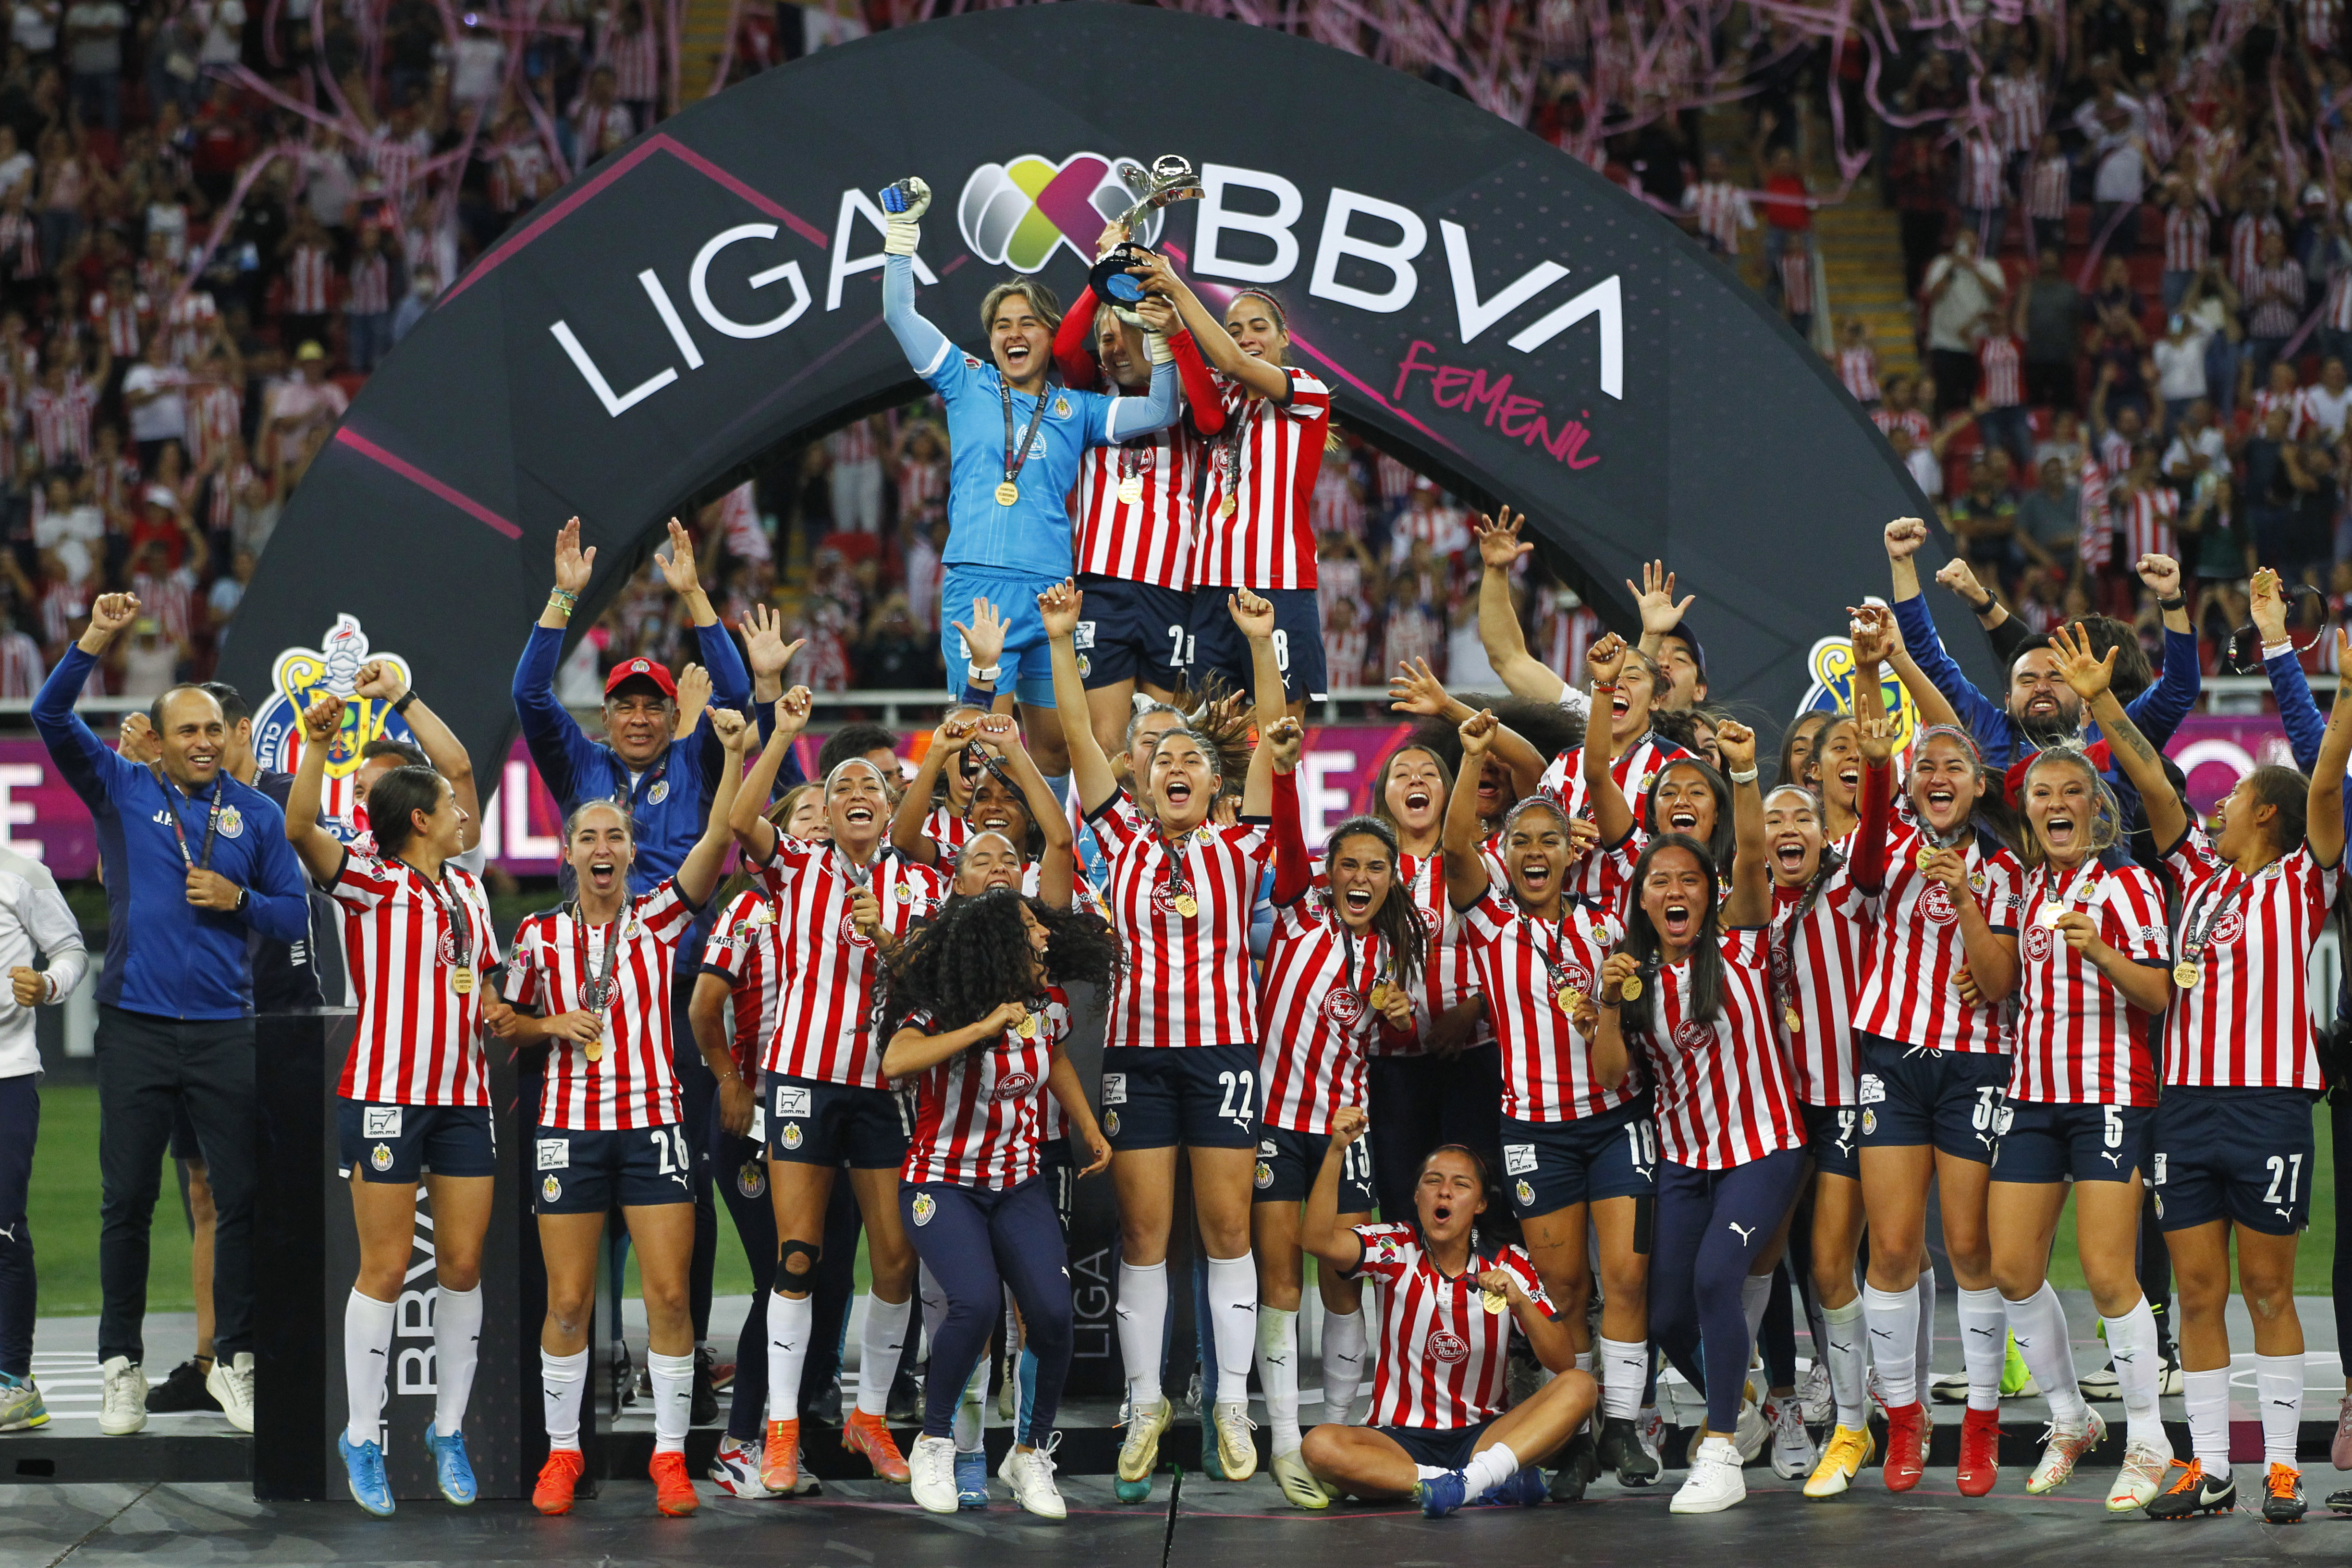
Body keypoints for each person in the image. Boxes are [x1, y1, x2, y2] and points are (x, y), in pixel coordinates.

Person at [515, 520, 799, 1421]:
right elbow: (527, 691)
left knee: (692, 1175)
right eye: (625, 705)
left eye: (650, 705)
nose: (639, 717)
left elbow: (747, 732)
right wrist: (563, 596)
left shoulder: (692, 756)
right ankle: (591, 1340)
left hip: (682, 1004)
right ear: (607, 717)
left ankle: (687, 1338)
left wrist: (696, 601)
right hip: (589, 1002)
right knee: (581, 1178)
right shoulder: (584, 769)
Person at [31, 590, 308, 1437]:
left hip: (226, 1027)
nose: (200, 741)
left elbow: (295, 915)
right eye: (183, 729)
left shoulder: (258, 814)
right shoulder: (120, 786)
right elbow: (48, 712)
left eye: (211, 729)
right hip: (138, 1027)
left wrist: (239, 897)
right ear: (156, 737)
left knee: (243, 1196)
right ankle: (121, 1365)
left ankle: (235, 1359)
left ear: (228, 737)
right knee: (127, 1201)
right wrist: (93, 641)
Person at [2085, 625, 2343, 1525]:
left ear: (2266, 812)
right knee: (2195, 1291)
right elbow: (2153, 782)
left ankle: (2279, 1467)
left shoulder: (2306, 876)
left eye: (2233, 794)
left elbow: (2323, 778)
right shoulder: (2197, 873)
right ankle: (2210, 1466)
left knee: (2269, 1286)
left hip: (2268, 1105)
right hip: (2184, 1106)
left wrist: (2330, 685)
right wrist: (2104, 700)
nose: (2219, 801)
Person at [1041, 576, 1284, 1499]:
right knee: (1145, 1235)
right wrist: (1064, 641)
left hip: (1222, 1058)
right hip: (1138, 1061)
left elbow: (1268, 738)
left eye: (1193, 757)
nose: (1175, 764)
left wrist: (1260, 643)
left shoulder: (1242, 845)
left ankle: (1228, 1402)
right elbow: (1075, 731)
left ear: (1216, 784)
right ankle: (1146, 1401)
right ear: (1140, 781)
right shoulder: (1121, 840)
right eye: (1161, 759)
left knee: (1227, 1232)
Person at [488, 706, 751, 1518]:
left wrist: (736, 753)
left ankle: (671, 1457)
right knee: (567, 1300)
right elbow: (501, 1020)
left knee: (670, 1297)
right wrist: (548, 1025)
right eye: (588, 837)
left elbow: (715, 841)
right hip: (567, 1127)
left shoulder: (663, 917)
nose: (602, 849)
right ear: (567, 853)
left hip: (652, 1126)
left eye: (614, 836)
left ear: (633, 851)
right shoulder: (536, 935)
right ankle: (565, 1454)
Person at [873, 176, 1178, 775]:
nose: (1014, 334)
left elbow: (1162, 410)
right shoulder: (966, 380)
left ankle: (1046, 862)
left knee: (1057, 747)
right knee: (982, 740)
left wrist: (1164, 343)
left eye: (1028, 323)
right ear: (990, 341)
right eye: (1001, 326)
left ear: (1050, 334)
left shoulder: (1078, 409)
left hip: (1050, 595)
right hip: (978, 585)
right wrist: (901, 235)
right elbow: (898, 312)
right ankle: (979, 861)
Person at [282, 693, 497, 1517]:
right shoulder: (368, 878)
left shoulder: (469, 888)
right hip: (383, 1092)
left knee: (464, 1263)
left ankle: (449, 1427)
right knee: (381, 1264)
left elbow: (464, 766)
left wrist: (406, 700)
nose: (462, 810)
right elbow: (302, 827)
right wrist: (316, 746)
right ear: (419, 819)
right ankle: (362, 1433)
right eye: (447, 805)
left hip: (464, 1094)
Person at [729, 687, 943, 1497]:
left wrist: (886, 937)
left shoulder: (919, 888)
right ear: (822, 807)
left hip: (882, 1084)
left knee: (895, 1258)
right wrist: (782, 734)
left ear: (891, 809)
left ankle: (869, 1413)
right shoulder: (799, 863)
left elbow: (931, 987)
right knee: (798, 1252)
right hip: (801, 1078)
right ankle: (781, 1431)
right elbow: (739, 823)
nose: (855, 797)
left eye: (871, 788)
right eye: (839, 787)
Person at [1444, 691, 1657, 1500]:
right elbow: (1458, 846)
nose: (1535, 851)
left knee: (1628, 1280)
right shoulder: (1491, 923)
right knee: (1565, 1290)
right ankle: (1571, 1431)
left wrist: (1609, 999)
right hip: (1533, 1129)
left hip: (1614, 1121)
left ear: (1573, 852)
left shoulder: (1610, 928)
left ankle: (1627, 1424)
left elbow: (1614, 1064)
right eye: (1521, 841)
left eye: (1550, 840)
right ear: (1508, 856)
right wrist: (1471, 758)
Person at [1589, 711, 1799, 1514]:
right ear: (1641, 898)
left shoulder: (1742, 938)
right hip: (1683, 1156)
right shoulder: (1635, 974)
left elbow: (1750, 853)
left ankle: (1718, 1451)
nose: (1675, 890)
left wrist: (1744, 774)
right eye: (1659, 882)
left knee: (1718, 1275)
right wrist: (1609, 1005)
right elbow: (1613, 1075)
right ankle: (1735, 1402)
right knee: (1665, 1307)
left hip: (1762, 1147)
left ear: (1708, 893)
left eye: (1688, 880)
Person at [1981, 674, 2175, 1511]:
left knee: (2105, 1273)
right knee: (2013, 1267)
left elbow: (2160, 994)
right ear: (2026, 811)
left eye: (2070, 792)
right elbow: (2008, 983)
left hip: (2108, 1096)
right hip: (2032, 1096)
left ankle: (2149, 1438)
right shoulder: (2028, 890)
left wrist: (2099, 953)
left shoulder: (2128, 885)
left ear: (2098, 810)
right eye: (2040, 793)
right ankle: (2070, 1417)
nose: (2054, 803)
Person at [882, 885, 1117, 1520]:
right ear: (996, 943)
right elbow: (896, 1060)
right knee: (978, 1303)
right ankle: (933, 1444)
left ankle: (1030, 1453)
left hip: (1019, 1183)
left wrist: (1086, 1126)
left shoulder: (1046, 1005)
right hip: (942, 1182)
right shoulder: (944, 1004)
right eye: (1029, 927)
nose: (1043, 934)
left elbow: (1058, 1057)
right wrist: (981, 1028)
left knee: (1053, 1313)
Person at [1847, 714, 2023, 1496]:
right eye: (1927, 765)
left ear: (1978, 784)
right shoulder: (1883, 847)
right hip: (1890, 1055)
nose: (1939, 774)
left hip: (1975, 1064)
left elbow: (1996, 982)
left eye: (1955, 763)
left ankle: (1982, 1424)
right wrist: (1881, 759)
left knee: (1969, 1246)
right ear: (1913, 782)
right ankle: (1905, 1418)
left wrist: (1966, 898)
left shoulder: (2007, 869)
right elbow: (1862, 853)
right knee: (1888, 1248)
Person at [1252, 716, 1422, 1508]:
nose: (1360, 875)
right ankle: (1288, 1442)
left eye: (1375, 866)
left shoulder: (1392, 948)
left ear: (1392, 877)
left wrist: (1395, 1015)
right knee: (1280, 1277)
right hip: (1274, 1121)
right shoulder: (1297, 909)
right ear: (1326, 874)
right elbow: (1286, 836)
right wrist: (1282, 770)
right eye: (1348, 864)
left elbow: (1401, 1030)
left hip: (1342, 1129)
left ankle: (1342, 1429)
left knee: (1347, 1274)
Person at [1295, 1108, 1596, 1515]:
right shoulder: (1394, 1248)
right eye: (1432, 1183)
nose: (1444, 1193)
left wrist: (1521, 1302)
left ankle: (1465, 1481)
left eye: (1460, 1185)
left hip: (1484, 1436)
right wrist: (1335, 1151)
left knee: (1580, 1385)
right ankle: (1464, 1484)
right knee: (1319, 1445)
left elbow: (1561, 1362)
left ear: (1481, 1205)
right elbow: (1314, 1239)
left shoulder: (1511, 1264)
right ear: (1417, 1197)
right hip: (1399, 1438)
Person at [1124, 248, 1334, 715]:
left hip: (1276, 585)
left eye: (1259, 327)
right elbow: (1177, 387)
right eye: (1234, 329)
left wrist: (1178, 288)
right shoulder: (1223, 394)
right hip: (1212, 589)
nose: (1245, 337)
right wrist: (1169, 323)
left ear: (1284, 338)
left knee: (1278, 737)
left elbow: (1236, 362)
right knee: (1214, 737)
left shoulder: (1307, 393)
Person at [1049, 241, 1227, 760]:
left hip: (1171, 588)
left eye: (1128, 335)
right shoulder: (1089, 396)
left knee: (1166, 746)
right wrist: (1101, 275)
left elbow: (1215, 419)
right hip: (1099, 587)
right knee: (1109, 746)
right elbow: (1063, 348)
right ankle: (1115, 842)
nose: (1114, 349)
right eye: (1106, 338)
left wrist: (1168, 329)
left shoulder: (1187, 399)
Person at [0, 843, 89, 1434]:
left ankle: (14, 1383)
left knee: (2, 1227)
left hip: (6, 1069)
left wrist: (49, 986)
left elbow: (71, 950)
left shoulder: (22, 874)